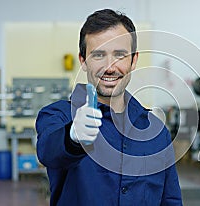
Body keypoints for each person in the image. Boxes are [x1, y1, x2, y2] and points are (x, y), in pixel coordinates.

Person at [35, 9, 183, 206]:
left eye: (120, 55)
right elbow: (48, 150)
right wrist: (72, 137)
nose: (110, 67)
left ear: (134, 60)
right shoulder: (59, 116)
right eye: (98, 55)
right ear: (83, 61)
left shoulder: (156, 132)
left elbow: (170, 200)